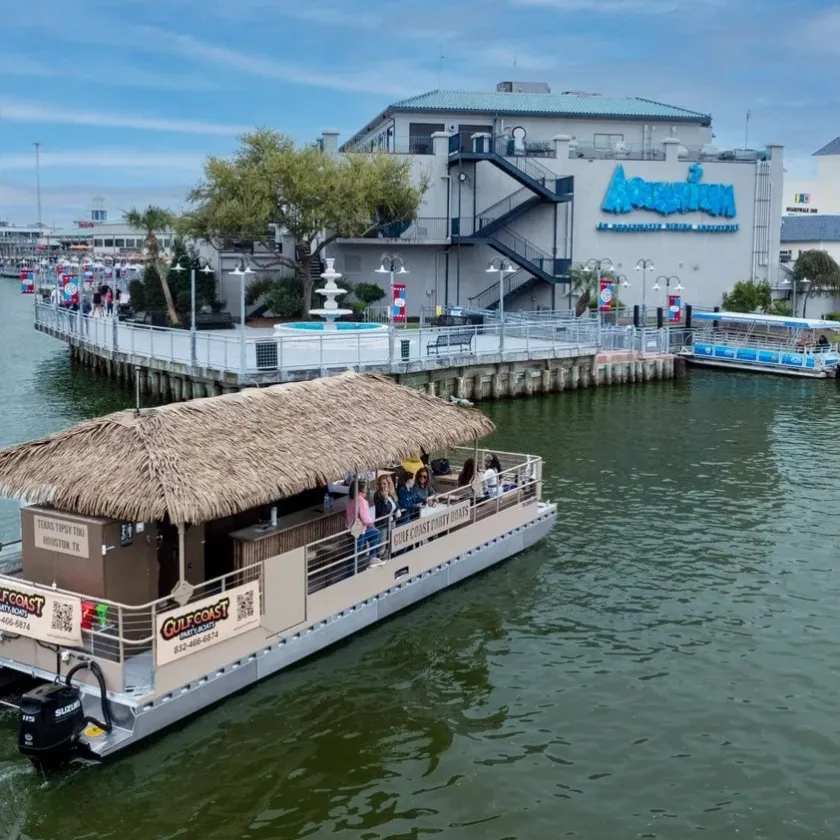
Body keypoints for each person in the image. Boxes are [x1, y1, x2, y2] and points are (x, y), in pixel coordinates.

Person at [346, 480, 381, 567]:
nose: (367, 489)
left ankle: (373, 557)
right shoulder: (362, 501)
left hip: (350, 529)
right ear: (361, 490)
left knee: (375, 533)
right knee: (356, 553)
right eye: (365, 487)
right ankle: (351, 573)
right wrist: (372, 522)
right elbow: (365, 519)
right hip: (359, 530)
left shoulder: (349, 500)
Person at [373, 474, 400, 554]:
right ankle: (380, 560)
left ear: (388, 484)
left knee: (393, 543)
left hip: (392, 521)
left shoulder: (391, 493)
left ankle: (391, 559)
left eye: (384, 483)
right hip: (383, 524)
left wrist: (398, 509)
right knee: (382, 546)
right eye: (380, 484)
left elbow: (396, 504)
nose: (382, 486)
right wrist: (385, 499)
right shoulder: (377, 495)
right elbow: (383, 511)